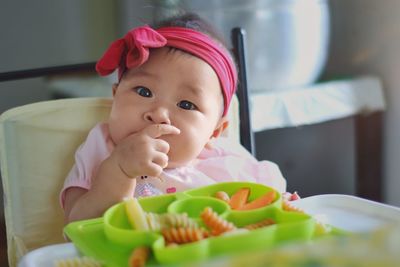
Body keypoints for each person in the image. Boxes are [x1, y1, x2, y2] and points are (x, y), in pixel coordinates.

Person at [61, 12, 286, 223]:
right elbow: (75, 227)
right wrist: (119, 170)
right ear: (115, 96)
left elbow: (268, 208)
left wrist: (280, 207)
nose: (159, 114)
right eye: (144, 92)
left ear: (215, 132)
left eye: (186, 104)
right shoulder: (101, 147)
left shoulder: (229, 163)